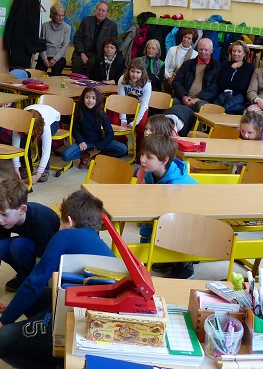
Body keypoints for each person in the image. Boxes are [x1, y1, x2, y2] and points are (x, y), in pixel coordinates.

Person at [0, 190, 114, 369]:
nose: (59, 226)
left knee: (1, 341)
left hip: (80, 322)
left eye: (61, 221)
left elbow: (35, 281)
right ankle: (53, 351)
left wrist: (4, 321)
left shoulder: (65, 235)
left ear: (69, 220)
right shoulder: (99, 243)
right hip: (92, 316)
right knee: (32, 296)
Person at [0, 179, 61, 311]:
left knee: (18, 246)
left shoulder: (41, 220)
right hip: (32, 247)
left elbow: (44, 262)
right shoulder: (3, 220)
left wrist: (30, 294)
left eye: (3, 214)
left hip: (50, 257)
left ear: (22, 209)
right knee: (1, 247)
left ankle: (28, 282)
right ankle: (24, 276)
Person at [138, 134, 198, 279]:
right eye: (142, 154)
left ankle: (184, 263)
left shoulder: (176, 184)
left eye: (149, 157)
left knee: (164, 225)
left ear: (165, 160)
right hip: (169, 216)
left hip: (191, 221)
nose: (142, 159)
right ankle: (163, 258)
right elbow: (146, 203)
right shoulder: (150, 174)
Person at [61, 86, 128, 168]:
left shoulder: (101, 113)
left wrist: (99, 146)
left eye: (93, 98)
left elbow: (110, 133)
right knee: (65, 156)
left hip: (98, 142)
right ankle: (85, 154)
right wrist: (81, 141)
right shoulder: (79, 111)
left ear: (97, 100)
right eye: (87, 97)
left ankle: (97, 155)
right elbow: (74, 129)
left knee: (123, 149)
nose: (90, 101)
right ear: (83, 98)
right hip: (84, 143)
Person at [11, 103, 61, 184]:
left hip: (53, 120)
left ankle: (45, 170)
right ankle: (25, 167)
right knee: (23, 140)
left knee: (41, 141)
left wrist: (38, 175)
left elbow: (46, 151)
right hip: (33, 119)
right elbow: (15, 147)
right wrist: (16, 168)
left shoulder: (45, 126)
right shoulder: (19, 122)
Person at [171, 38, 220, 112]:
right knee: (174, 102)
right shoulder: (187, 64)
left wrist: (198, 99)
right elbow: (177, 81)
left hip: (203, 100)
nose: (203, 52)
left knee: (199, 106)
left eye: (206, 50)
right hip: (185, 98)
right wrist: (183, 96)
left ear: (212, 50)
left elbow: (215, 88)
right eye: (201, 49)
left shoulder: (217, 67)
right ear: (197, 49)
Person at [71, 1, 118, 76]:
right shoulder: (86, 21)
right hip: (82, 52)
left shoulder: (112, 26)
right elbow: (77, 38)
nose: (100, 12)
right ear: (96, 10)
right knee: (77, 64)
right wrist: (82, 53)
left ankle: (88, 85)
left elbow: (113, 43)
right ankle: (74, 86)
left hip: (98, 55)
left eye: (103, 11)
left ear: (107, 13)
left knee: (93, 64)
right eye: (99, 10)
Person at [117, 57, 152, 152]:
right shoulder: (122, 79)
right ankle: (122, 147)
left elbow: (144, 105)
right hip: (125, 106)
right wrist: (123, 119)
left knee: (141, 127)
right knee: (116, 121)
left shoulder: (147, 84)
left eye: (138, 72)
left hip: (140, 108)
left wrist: (135, 122)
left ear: (142, 73)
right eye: (132, 71)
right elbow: (121, 100)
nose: (134, 75)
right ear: (128, 71)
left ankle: (139, 151)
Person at [215, 40, 254, 114]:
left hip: (238, 97)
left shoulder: (249, 68)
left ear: (244, 53)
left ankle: (222, 111)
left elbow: (241, 86)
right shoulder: (226, 65)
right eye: (234, 51)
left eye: (239, 51)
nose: (236, 54)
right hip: (223, 95)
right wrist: (232, 68)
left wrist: (228, 84)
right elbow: (221, 82)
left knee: (226, 109)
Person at [36, 3, 70, 76]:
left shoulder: (67, 28)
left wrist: (54, 59)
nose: (61, 17)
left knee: (55, 75)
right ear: (53, 16)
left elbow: (65, 45)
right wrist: (44, 58)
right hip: (45, 54)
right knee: (38, 75)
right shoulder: (45, 25)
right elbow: (42, 43)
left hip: (58, 56)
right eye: (59, 15)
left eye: (63, 15)